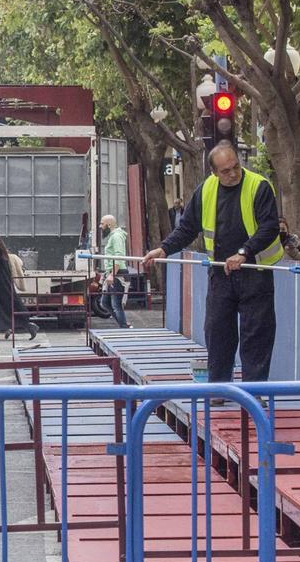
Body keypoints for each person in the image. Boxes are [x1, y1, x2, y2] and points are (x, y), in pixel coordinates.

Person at [144, 142, 282, 383]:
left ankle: (254, 391)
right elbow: (187, 228)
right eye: (226, 171)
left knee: (256, 334)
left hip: (254, 272)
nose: (233, 174)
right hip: (221, 273)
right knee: (218, 332)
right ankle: (218, 387)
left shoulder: (258, 186)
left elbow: (269, 227)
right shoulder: (206, 190)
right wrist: (164, 249)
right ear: (214, 173)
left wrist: (244, 252)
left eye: (235, 167)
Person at [98, 214, 130, 329]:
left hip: (118, 274)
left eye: (102, 223)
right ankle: (124, 324)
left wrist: (112, 274)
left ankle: (124, 326)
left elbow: (119, 256)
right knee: (105, 302)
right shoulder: (113, 236)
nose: (100, 226)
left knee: (116, 304)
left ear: (109, 224)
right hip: (112, 273)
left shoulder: (116, 236)